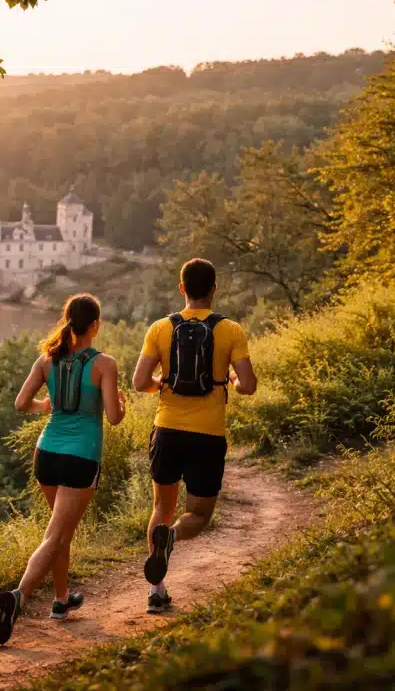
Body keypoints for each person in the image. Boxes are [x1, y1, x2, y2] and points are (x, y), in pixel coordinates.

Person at [0, 293, 126, 645]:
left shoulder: (46, 360)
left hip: (46, 454)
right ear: (95, 324)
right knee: (55, 536)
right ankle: (19, 596)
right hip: (81, 459)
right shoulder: (104, 364)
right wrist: (121, 403)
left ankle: (61, 601)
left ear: (67, 321)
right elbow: (113, 417)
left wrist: (44, 405)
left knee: (59, 531)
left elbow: (21, 404)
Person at [131, 258, 257, 614]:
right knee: (198, 515)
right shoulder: (230, 330)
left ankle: (156, 591)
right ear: (214, 289)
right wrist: (229, 379)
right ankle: (172, 536)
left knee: (161, 507)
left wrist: (163, 383)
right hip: (207, 435)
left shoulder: (160, 328)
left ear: (181, 288)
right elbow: (247, 385)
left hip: (167, 428)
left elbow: (140, 382)